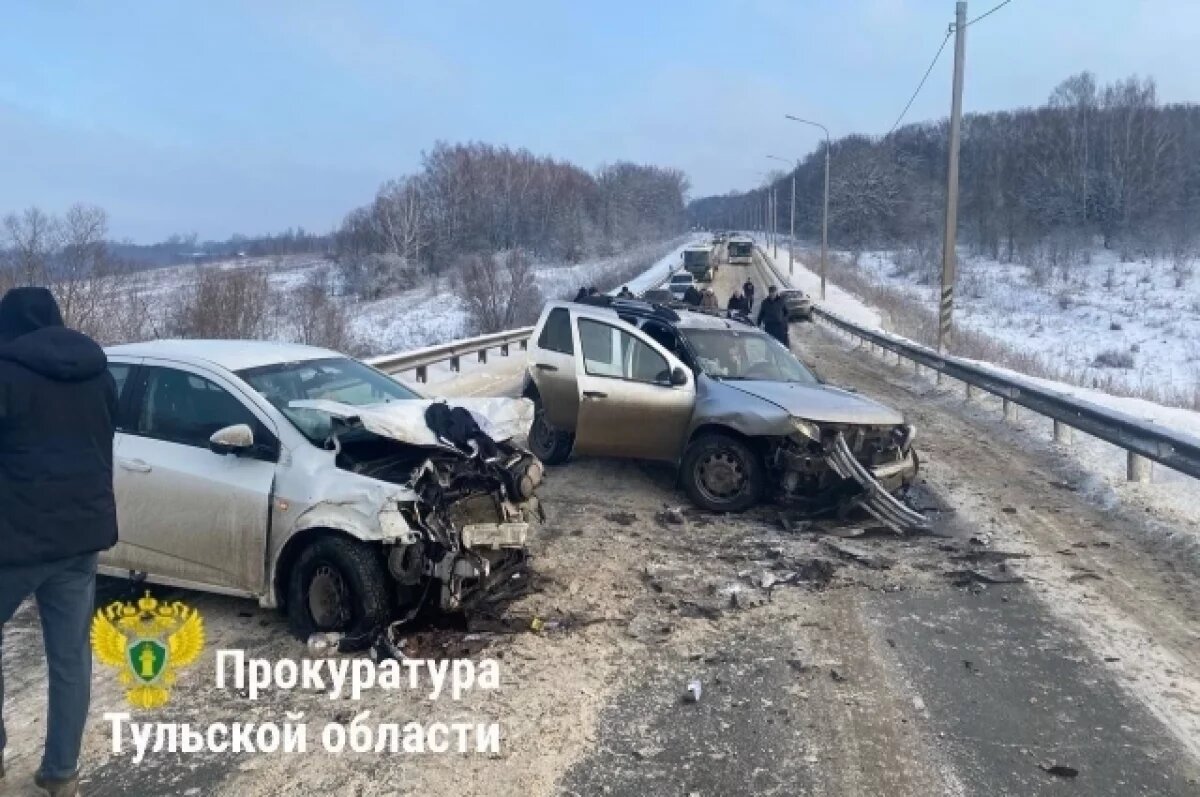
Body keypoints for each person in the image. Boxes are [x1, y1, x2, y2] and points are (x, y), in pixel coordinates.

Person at [0, 287, 118, 797]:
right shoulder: (101, 376)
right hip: (80, 541)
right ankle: (61, 772)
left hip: (12, 544)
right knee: (71, 658)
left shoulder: (5, 375)